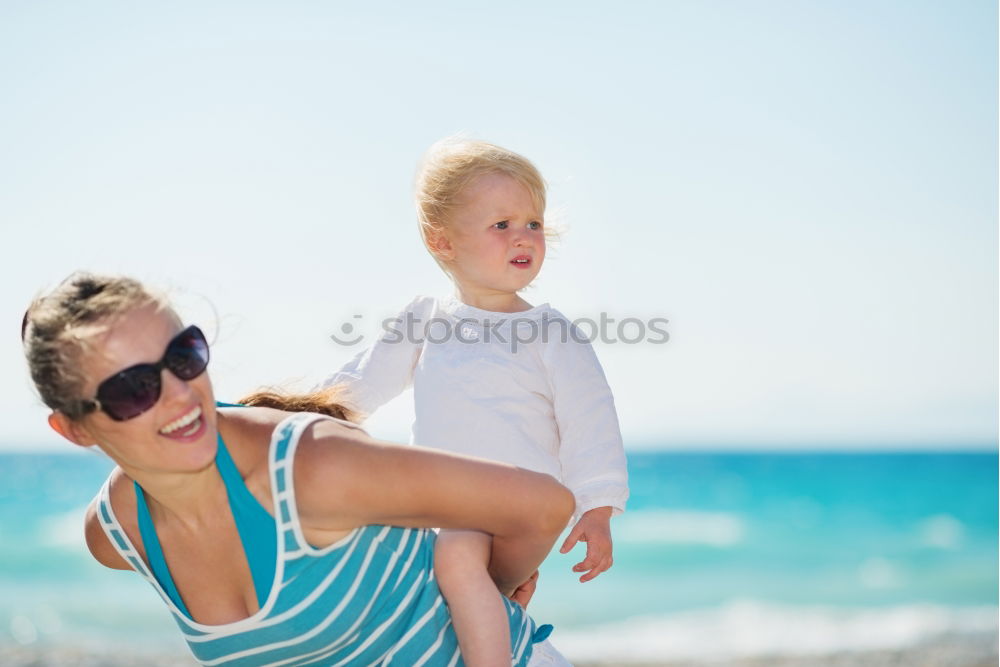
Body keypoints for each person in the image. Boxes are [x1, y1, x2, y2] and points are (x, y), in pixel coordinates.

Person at [22, 272, 574, 666]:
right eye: (133, 388)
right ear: (75, 429)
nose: (180, 395)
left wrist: (480, 592)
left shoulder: (311, 468)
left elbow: (543, 506)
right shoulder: (118, 535)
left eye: (183, 357)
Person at [314, 138, 629, 666]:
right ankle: (505, 627)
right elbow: (360, 383)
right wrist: (289, 418)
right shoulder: (425, 319)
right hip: (441, 510)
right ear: (443, 242)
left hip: (517, 512)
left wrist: (598, 512)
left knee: (459, 553)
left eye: (533, 222)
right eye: (501, 224)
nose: (524, 236)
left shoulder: (550, 332)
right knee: (387, 555)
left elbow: (590, 422)